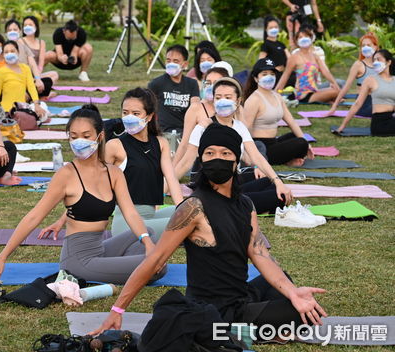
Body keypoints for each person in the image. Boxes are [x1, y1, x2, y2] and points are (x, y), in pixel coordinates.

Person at [90, 124, 327, 346]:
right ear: (201, 159)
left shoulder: (245, 205)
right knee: (297, 313)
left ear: (236, 160)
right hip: (212, 312)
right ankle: (234, 334)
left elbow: (258, 253)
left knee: (285, 284)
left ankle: (252, 329)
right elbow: (155, 260)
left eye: (225, 154)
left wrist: (292, 292)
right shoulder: (193, 207)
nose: (217, 159)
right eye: (210, 153)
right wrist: (117, 310)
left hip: (240, 298)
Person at [0, 105, 167, 285]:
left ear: (100, 136)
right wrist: (2, 257)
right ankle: (131, 266)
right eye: (74, 136)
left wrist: (147, 242)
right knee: (157, 265)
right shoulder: (66, 175)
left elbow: (131, 213)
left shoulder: (114, 173)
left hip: (100, 249)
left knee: (148, 234)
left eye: (86, 136)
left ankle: (126, 265)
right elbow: (34, 217)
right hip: (78, 260)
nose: (80, 141)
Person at [174, 77, 293, 213]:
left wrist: (278, 181)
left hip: (233, 185)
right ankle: (230, 206)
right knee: (277, 197)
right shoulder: (203, 127)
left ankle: (240, 203)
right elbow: (185, 163)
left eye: (228, 97)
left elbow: (256, 156)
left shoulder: (239, 127)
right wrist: (162, 190)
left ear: (238, 102)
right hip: (213, 192)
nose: (223, 101)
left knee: (273, 185)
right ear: (213, 100)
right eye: (218, 97)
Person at [105, 88, 184, 240]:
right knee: (191, 221)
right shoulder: (115, 145)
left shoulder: (161, 143)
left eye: (135, 114)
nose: (129, 118)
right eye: (125, 112)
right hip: (127, 224)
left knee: (196, 211)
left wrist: (182, 208)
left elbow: (171, 179)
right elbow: (93, 183)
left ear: (149, 117)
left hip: (150, 216)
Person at [243, 58, 313, 166]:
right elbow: (246, 129)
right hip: (261, 147)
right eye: (264, 74)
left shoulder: (277, 96)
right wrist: (249, 154)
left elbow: (291, 122)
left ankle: (288, 159)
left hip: (273, 142)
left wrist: (308, 144)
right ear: (256, 78)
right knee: (301, 143)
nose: (269, 77)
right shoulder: (254, 100)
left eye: (272, 74)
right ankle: (286, 160)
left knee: (298, 137)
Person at [174, 67, 229, 164]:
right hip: (201, 162)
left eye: (216, 83)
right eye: (208, 83)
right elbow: (184, 143)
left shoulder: (235, 109)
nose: (211, 86)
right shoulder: (196, 108)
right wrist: (171, 171)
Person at [335, 49, 395, 136]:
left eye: (379, 59)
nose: (375, 62)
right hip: (380, 123)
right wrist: (342, 126)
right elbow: (357, 104)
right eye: (374, 60)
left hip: (391, 118)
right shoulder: (370, 80)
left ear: (388, 62)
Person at [147, 44, 200, 139]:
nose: (171, 64)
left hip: (186, 132)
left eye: (176, 61)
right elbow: (146, 106)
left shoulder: (192, 84)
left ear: (185, 64)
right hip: (162, 132)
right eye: (168, 60)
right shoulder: (156, 83)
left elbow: (195, 107)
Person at [275, 28, 339, 104]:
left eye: (306, 36)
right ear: (297, 41)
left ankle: (329, 99)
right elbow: (285, 75)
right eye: (300, 37)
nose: (303, 39)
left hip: (314, 91)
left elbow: (325, 72)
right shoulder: (294, 57)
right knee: (337, 92)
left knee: (338, 90)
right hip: (303, 95)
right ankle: (331, 99)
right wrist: (276, 93)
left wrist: (335, 84)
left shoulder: (315, 56)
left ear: (311, 39)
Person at [0, 40, 46, 118]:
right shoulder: (0, 72)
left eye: (12, 51)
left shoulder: (25, 68)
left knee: (43, 109)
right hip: (7, 111)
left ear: (18, 52)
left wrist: (36, 104)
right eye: (6, 52)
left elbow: (31, 87)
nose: (9, 54)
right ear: (3, 55)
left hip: (23, 109)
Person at [327, 33, 380, 117]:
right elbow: (347, 86)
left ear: (375, 47)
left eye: (368, 45)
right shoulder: (358, 65)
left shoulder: (381, 64)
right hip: (363, 104)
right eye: (363, 45)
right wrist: (334, 106)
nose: (365, 47)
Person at [19, 15, 59, 98]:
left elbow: (41, 63)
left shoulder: (41, 42)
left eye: (30, 25)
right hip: (25, 75)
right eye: (25, 25)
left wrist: (38, 78)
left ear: (36, 27)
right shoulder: (20, 41)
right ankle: (44, 94)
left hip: (37, 74)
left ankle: (37, 92)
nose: (27, 27)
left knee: (54, 74)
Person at [259, 16, 295, 88]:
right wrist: (274, 70)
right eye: (271, 28)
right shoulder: (265, 45)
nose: (274, 29)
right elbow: (260, 63)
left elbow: (291, 59)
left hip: (285, 74)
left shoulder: (281, 44)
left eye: (276, 27)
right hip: (274, 76)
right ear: (266, 29)